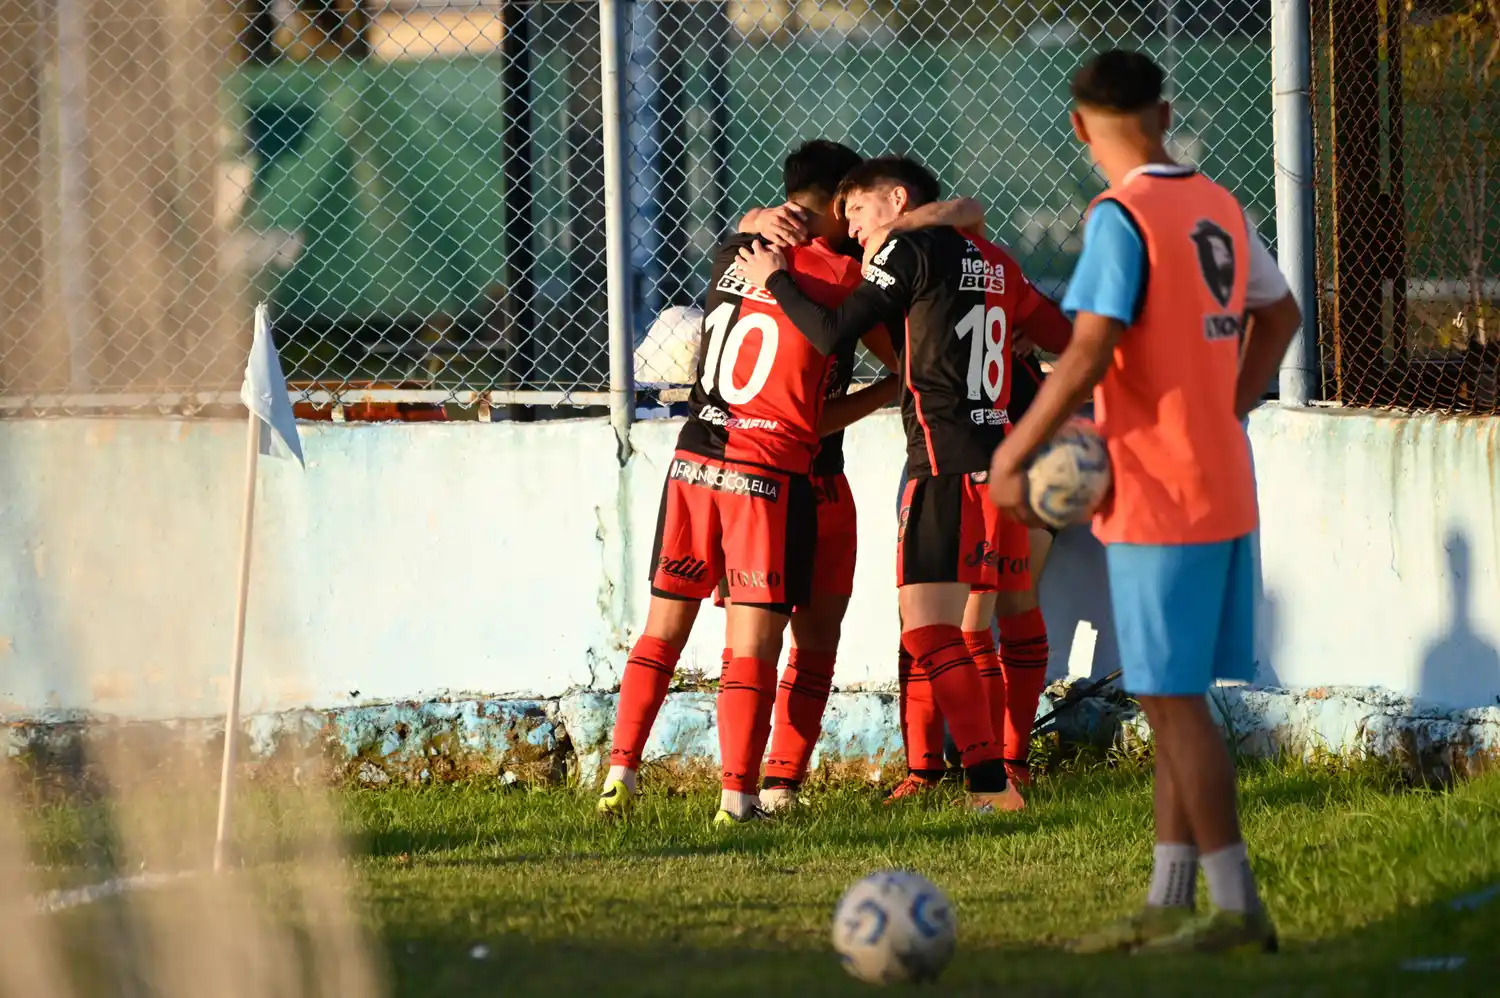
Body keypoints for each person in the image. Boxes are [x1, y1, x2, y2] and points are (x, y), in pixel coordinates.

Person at [988, 50, 1302, 953]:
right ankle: (1168, 902)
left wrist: (1017, 450)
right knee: (1178, 694)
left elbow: (1087, 351)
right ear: (1164, 115)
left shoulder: (1122, 216)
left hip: (1160, 491)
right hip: (1222, 477)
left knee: (1173, 705)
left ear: (1082, 128)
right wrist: (1231, 403)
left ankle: (1237, 910)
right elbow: (1278, 317)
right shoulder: (1218, 203)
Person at [737, 156, 1071, 812]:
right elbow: (1062, 335)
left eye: (859, 211)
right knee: (984, 617)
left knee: (934, 630)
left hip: (945, 466)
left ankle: (989, 781)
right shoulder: (994, 258)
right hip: (1002, 456)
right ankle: (984, 774)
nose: (855, 227)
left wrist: (776, 279)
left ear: (893, 201)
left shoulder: (904, 253)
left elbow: (835, 327)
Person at [598, 140, 899, 825]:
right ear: (838, 201)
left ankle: (621, 772)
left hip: (697, 460)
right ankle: (750, 792)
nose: (856, 223)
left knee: (663, 628)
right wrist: (893, 386)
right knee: (778, 641)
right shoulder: (842, 277)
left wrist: (759, 217)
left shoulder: (736, 249)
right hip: (782, 477)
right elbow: (887, 362)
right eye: (850, 209)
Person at [888, 335, 1061, 801]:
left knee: (978, 615)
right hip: (950, 455)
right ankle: (937, 769)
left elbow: (1073, 334)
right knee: (932, 616)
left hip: (1009, 456)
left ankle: (998, 768)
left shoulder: (985, 276)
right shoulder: (922, 278)